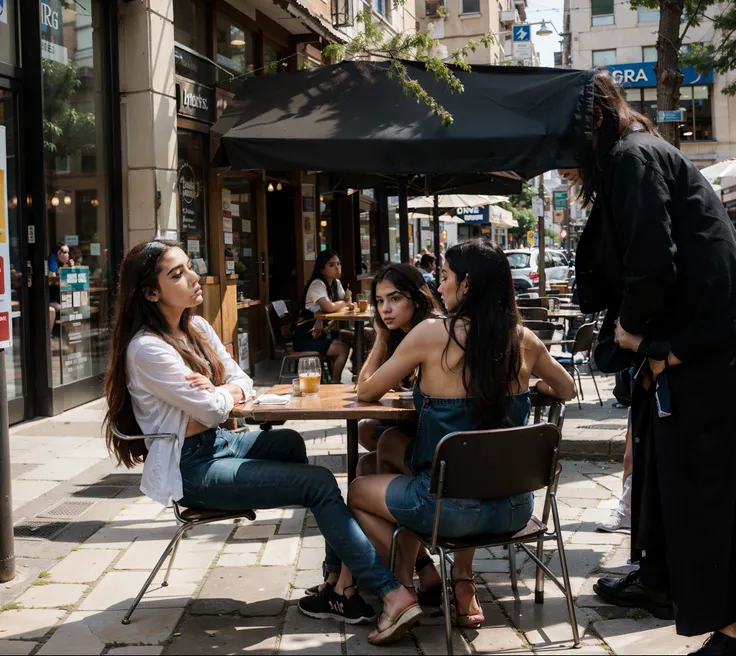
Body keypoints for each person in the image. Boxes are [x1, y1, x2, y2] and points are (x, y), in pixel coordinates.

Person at [103, 240, 420, 643]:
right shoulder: (147, 348)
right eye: (177, 274)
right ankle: (393, 594)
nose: (194, 277)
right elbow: (214, 408)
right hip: (193, 469)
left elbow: (241, 379)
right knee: (319, 483)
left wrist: (222, 390)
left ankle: (336, 586)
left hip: (219, 444)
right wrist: (223, 394)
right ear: (151, 293)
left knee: (288, 442)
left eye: (189, 267)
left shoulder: (196, 328)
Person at [301, 239, 574, 640]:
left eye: (444, 277)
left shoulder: (432, 334)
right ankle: (449, 582)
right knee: (394, 454)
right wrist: (529, 388)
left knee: (360, 488)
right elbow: (566, 389)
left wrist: (379, 335)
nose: (439, 286)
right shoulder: (524, 339)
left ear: (466, 285)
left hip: (447, 511)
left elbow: (367, 392)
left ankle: (400, 590)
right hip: (516, 508)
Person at [562, 68, 736, 655]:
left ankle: (730, 628)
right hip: (693, 347)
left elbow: (653, 261)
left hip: (701, 352)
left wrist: (637, 337)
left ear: (592, 124)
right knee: (672, 486)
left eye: (565, 143)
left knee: (703, 492)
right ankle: (663, 581)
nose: (560, 164)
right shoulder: (633, 157)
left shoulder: (634, 159)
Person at [293, 250, 354, 382]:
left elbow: (343, 304)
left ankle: (357, 373)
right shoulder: (317, 284)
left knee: (355, 337)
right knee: (342, 349)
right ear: (321, 269)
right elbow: (330, 307)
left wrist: (322, 319)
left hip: (322, 331)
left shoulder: (335, 284)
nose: (337, 268)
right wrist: (344, 303)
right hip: (307, 335)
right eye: (331, 265)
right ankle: (335, 383)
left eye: (338, 264)